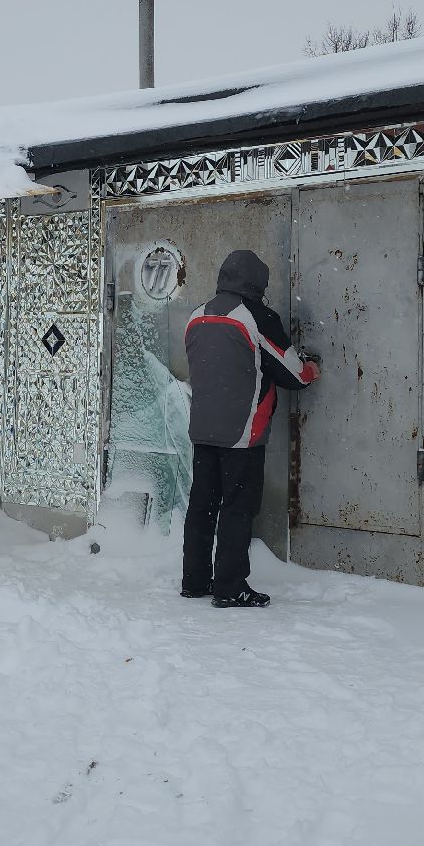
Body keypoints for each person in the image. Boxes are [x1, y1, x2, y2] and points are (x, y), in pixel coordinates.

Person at [181, 249, 319, 608]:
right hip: (243, 433)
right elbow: (293, 374)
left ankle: (195, 580)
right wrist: (312, 368)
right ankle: (229, 586)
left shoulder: (198, 315)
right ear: (257, 284)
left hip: (202, 429)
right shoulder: (257, 316)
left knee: (201, 506)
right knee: (237, 508)